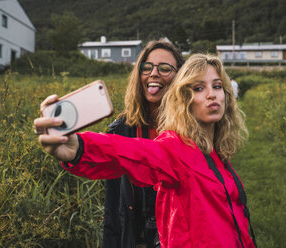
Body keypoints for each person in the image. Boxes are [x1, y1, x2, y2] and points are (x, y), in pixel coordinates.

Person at [34, 54, 256, 248]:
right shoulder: (176, 149)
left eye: (217, 86)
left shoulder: (216, 152)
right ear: (185, 99)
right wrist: (79, 148)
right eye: (199, 88)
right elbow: (131, 153)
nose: (211, 94)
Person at [34, 39, 184, 248]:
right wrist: (76, 148)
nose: (153, 73)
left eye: (165, 68)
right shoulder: (121, 129)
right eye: (146, 67)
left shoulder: (191, 131)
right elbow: (113, 209)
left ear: (182, 77)